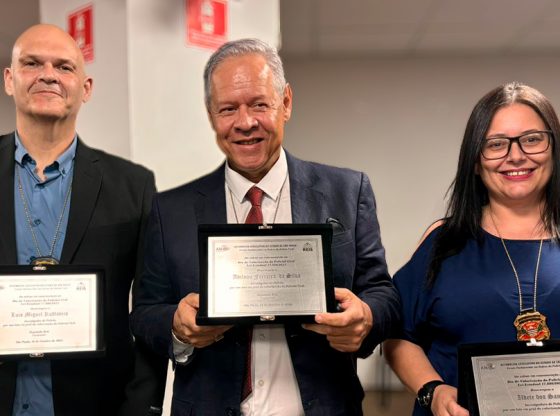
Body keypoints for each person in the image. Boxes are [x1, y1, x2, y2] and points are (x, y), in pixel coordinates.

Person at [130, 38, 400, 415]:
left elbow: (382, 292)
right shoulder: (169, 210)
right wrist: (176, 326)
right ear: (211, 115)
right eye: (228, 109)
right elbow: (144, 312)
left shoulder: (346, 192)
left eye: (259, 104)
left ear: (285, 102)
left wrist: (366, 317)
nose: (245, 123)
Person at [0, 24, 166, 415]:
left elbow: (151, 310)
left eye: (64, 67)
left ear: (86, 87)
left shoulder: (134, 187)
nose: (48, 75)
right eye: (32, 63)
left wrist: (140, 407)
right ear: (9, 79)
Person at [384, 82, 560, 416]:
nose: (516, 155)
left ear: (554, 148)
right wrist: (432, 392)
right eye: (496, 144)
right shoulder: (444, 242)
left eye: (532, 139)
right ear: (475, 163)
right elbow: (397, 335)